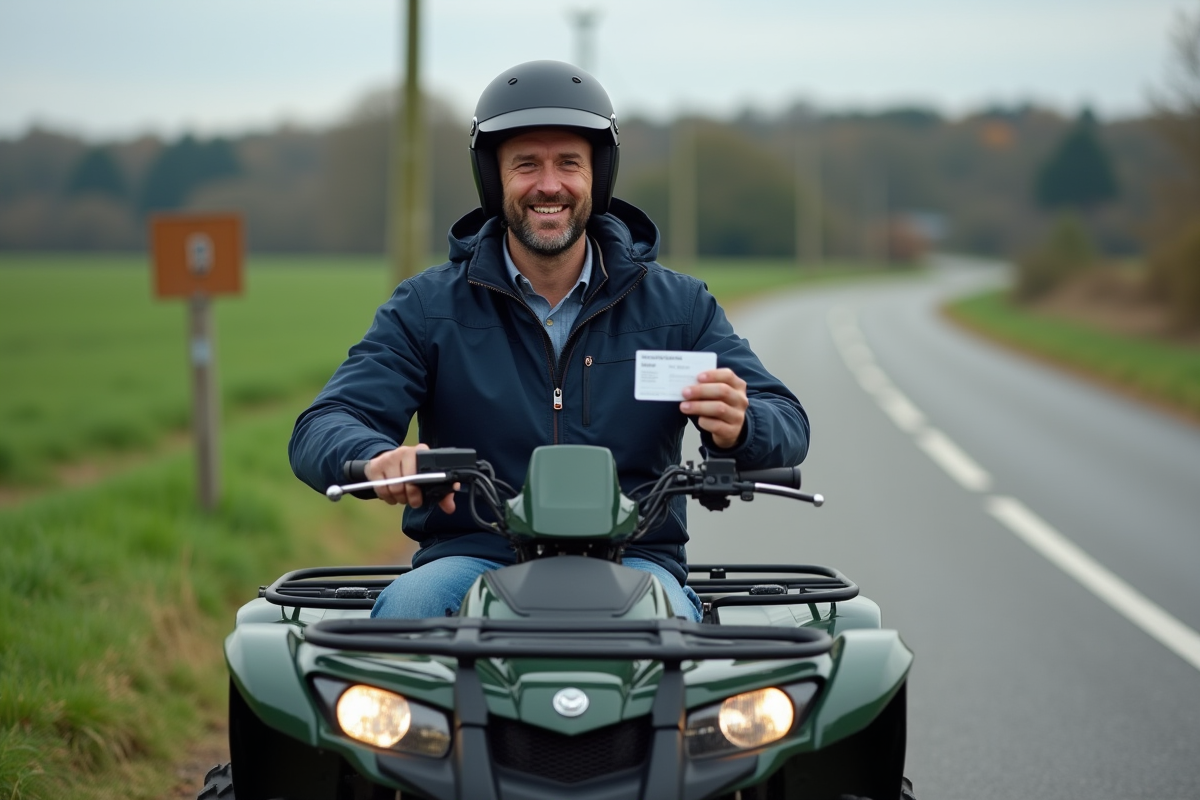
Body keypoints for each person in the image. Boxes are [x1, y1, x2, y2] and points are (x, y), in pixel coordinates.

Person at [288, 60, 809, 622]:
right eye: (526, 165)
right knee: (405, 614)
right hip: (472, 555)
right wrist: (372, 459)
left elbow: (785, 419)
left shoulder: (678, 308)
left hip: (634, 559)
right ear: (493, 178)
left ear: (597, 175)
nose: (549, 185)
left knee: (676, 641)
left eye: (568, 163)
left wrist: (742, 424)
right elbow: (325, 423)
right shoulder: (427, 307)